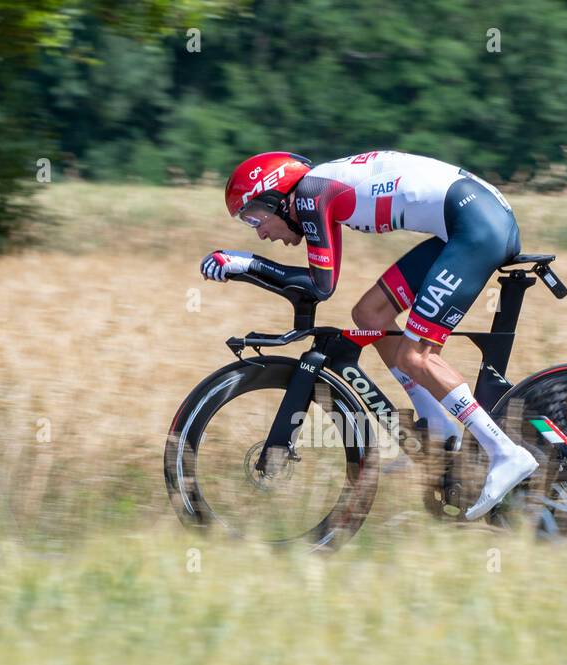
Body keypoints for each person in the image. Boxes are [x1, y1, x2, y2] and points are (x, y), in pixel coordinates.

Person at [200, 149, 538, 520]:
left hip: (478, 226)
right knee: (369, 314)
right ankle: (437, 431)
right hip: (468, 221)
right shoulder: (318, 192)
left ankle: (506, 453)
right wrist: (248, 266)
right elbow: (320, 284)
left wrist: (246, 263)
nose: (261, 232)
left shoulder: (312, 194)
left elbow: (319, 286)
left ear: (276, 196)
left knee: (416, 356)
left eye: (254, 218)